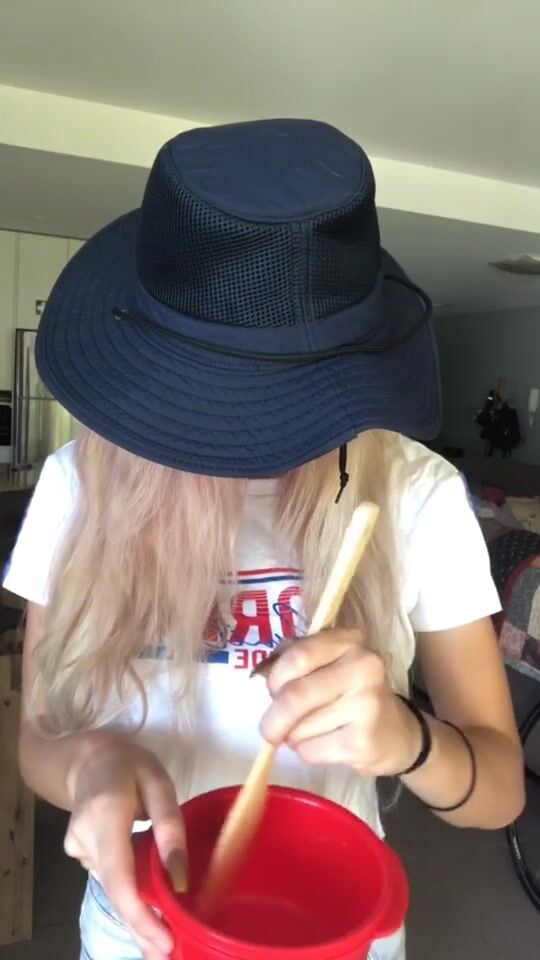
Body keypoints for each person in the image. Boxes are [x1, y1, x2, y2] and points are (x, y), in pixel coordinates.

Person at [4, 119, 524, 960]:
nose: (244, 433)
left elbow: (499, 792)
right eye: (217, 387)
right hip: (138, 930)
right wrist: (87, 765)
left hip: (334, 930)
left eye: (273, 392)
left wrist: (408, 737)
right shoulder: (81, 484)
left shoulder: (415, 493)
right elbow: (36, 739)